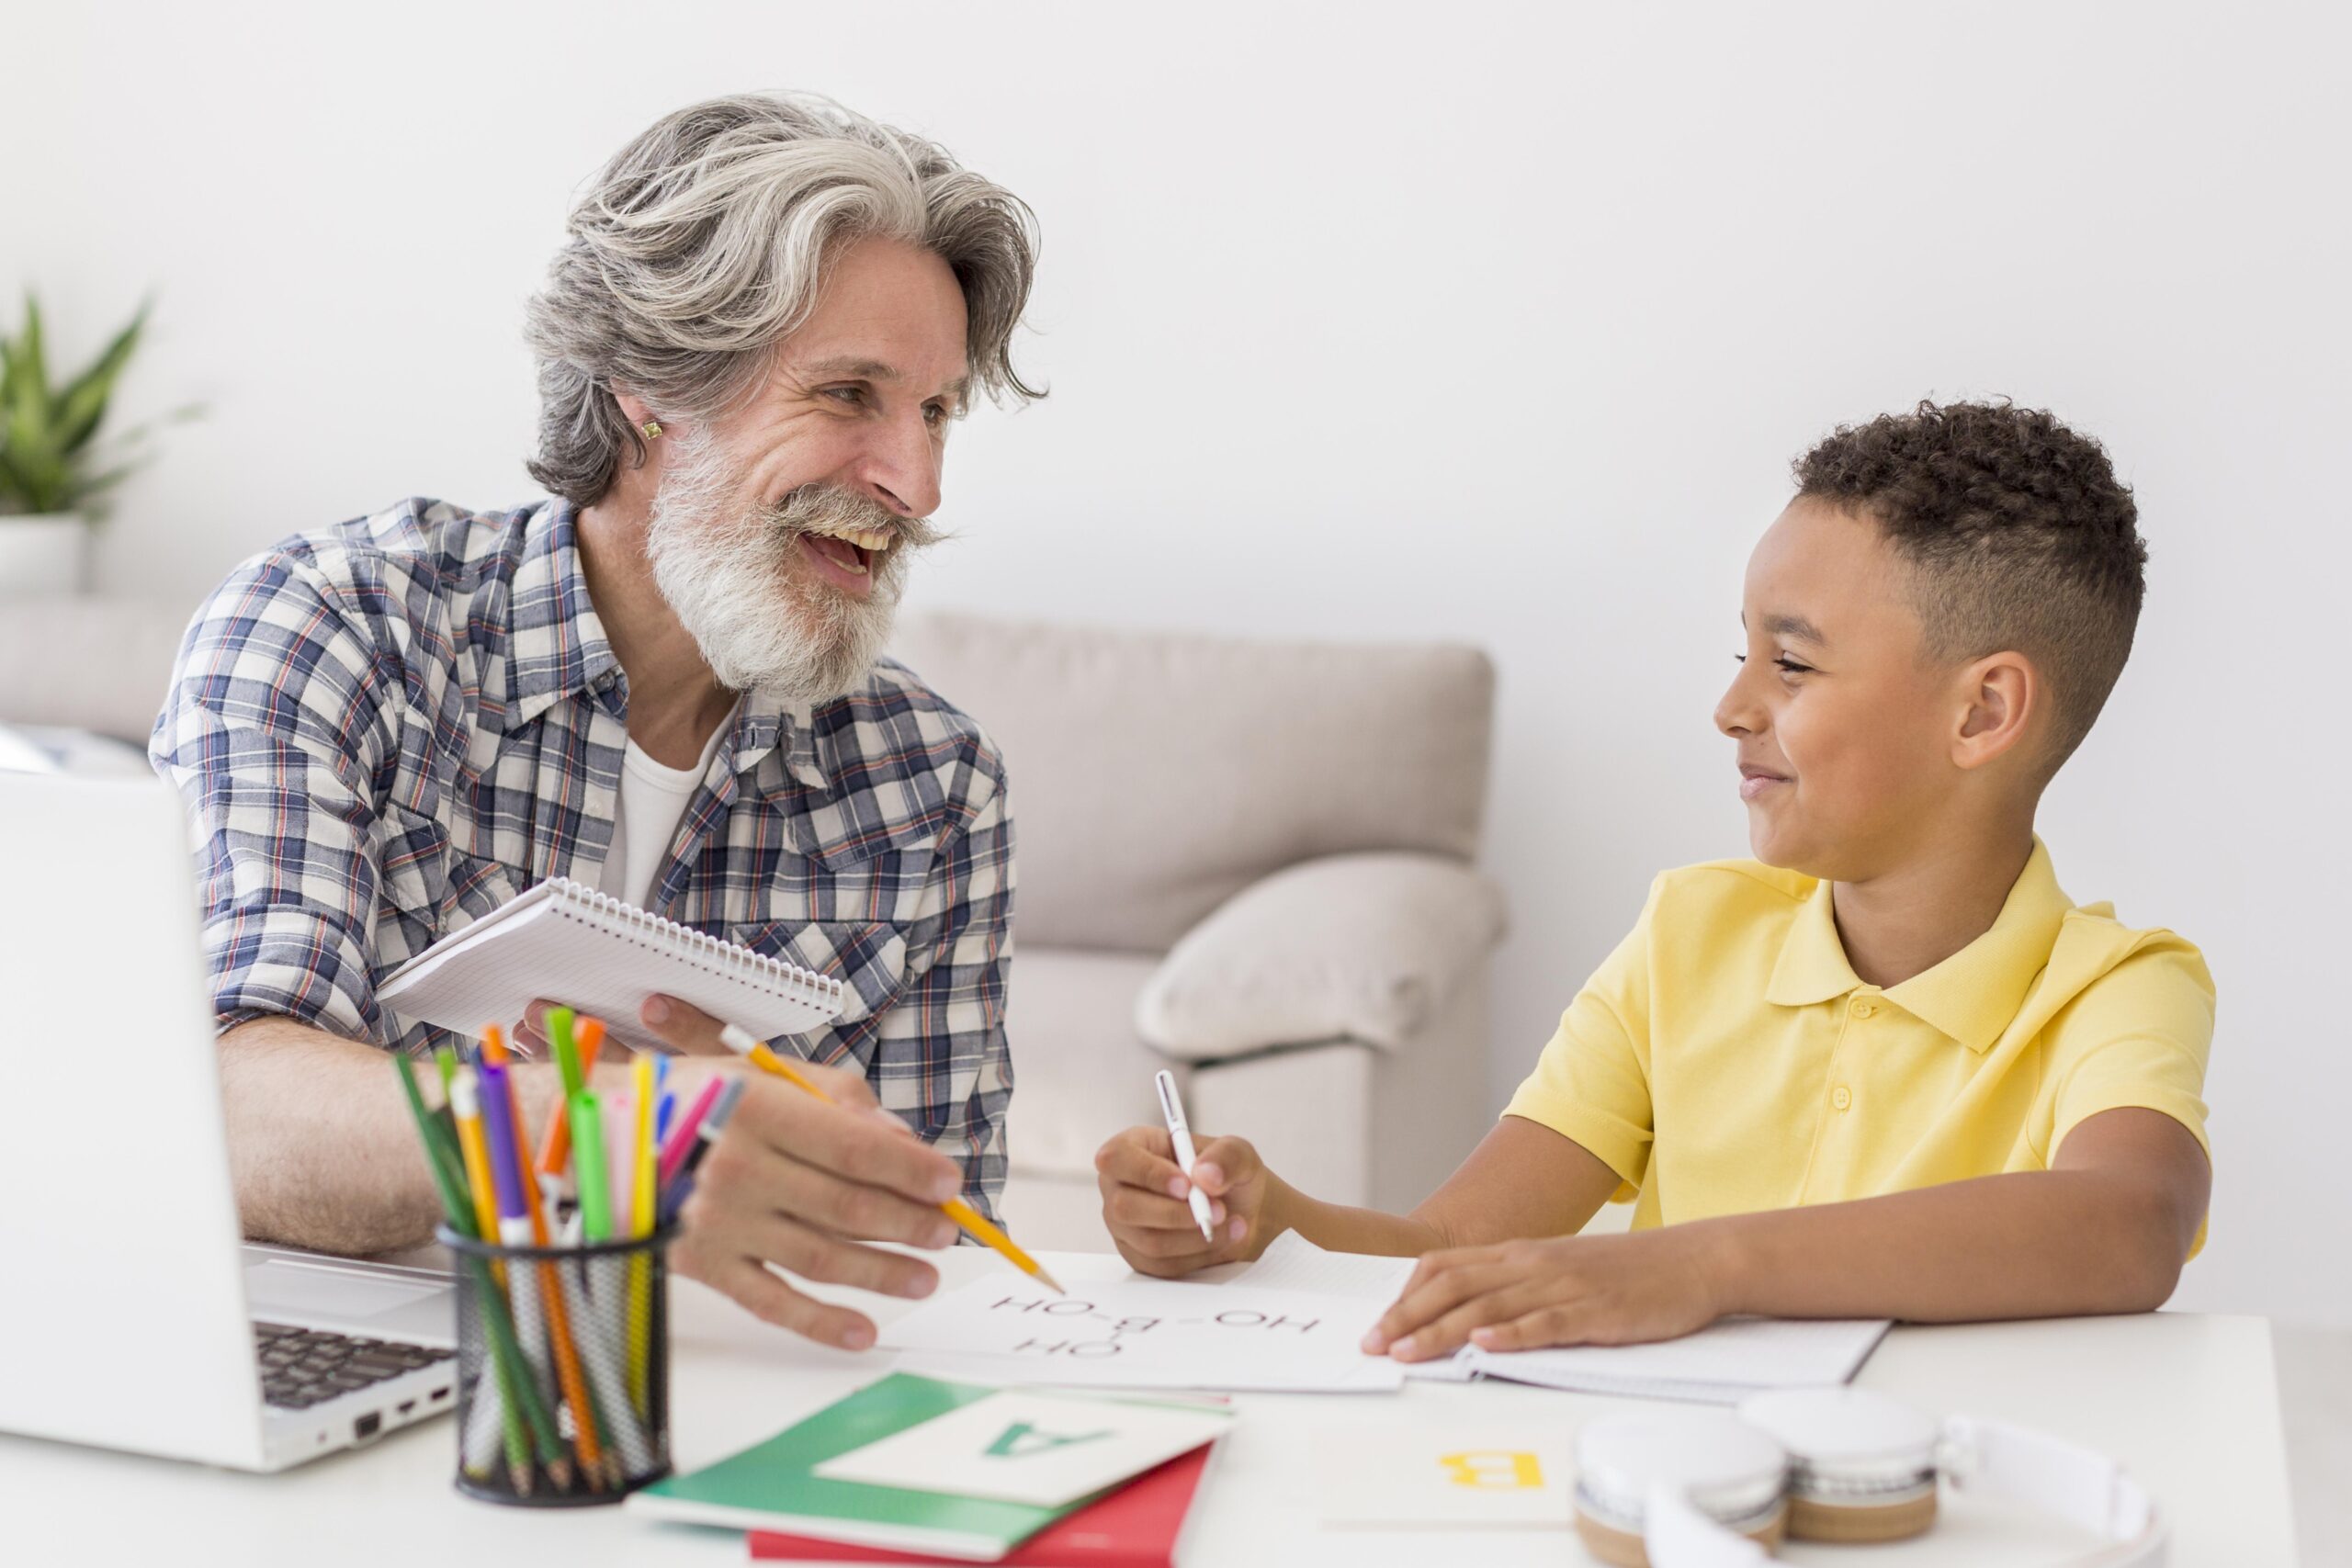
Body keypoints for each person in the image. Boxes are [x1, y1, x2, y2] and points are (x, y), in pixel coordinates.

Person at [151, 91, 1043, 1350]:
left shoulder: (932, 782)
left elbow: (931, 1254)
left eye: (938, 410)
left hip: (740, 1411)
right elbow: (221, 1104)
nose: (919, 482)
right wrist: (597, 1141)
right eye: (850, 393)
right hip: (372, 1381)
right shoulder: (338, 629)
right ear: (649, 389)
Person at [1096, 400, 2214, 1361]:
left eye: (1792, 661)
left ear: (1981, 712)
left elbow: (2128, 1222)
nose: (1733, 709)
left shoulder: (2112, 987)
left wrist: (1707, 1265)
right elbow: (1451, 1253)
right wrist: (1266, 1221)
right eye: (1743, 655)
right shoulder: (1691, 934)